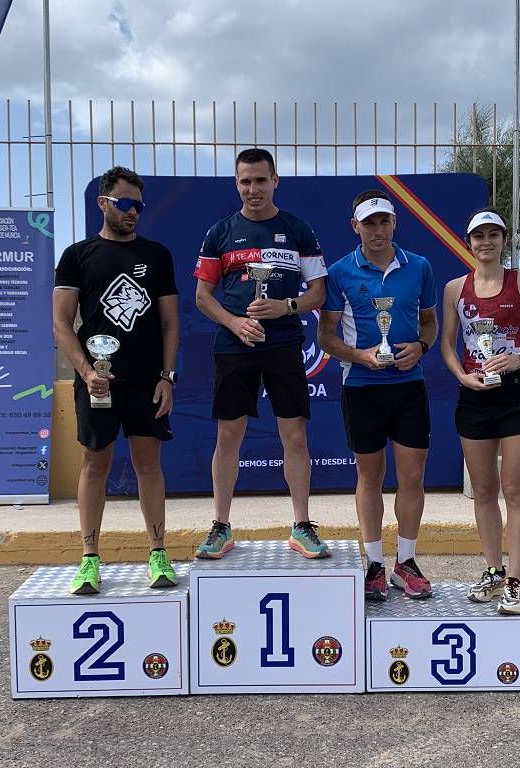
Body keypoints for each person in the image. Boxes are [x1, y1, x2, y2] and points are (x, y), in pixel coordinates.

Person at [193, 148, 329, 559]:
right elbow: (203, 297)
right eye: (245, 181)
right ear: (237, 184)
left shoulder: (298, 230)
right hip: (235, 345)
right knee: (228, 436)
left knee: (295, 436)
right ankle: (221, 526)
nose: (253, 189)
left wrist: (285, 307)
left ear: (276, 181)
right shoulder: (220, 232)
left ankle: (302, 525)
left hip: (285, 344)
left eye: (260, 180)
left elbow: (318, 293)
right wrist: (235, 322)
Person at [53, 166, 180, 594]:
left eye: (138, 206)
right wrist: (88, 373)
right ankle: (89, 558)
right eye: (125, 204)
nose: (133, 213)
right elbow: (62, 325)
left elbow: (169, 324)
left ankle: (158, 553)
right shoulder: (77, 255)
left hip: (147, 382)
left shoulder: (157, 254)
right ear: (103, 203)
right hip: (98, 382)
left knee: (149, 465)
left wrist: (167, 377)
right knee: (95, 464)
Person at [318, 190, 438, 600]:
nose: (378, 230)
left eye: (384, 221)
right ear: (356, 227)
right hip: (362, 388)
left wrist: (420, 347)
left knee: (412, 477)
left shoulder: (419, 267)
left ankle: (405, 563)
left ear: (394, 224)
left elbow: (429, 324)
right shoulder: (339, 272)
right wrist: (360, 356)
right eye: (369, 223)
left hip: (409, 387)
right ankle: (373, 564)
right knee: (369, 478)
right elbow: (326, 338)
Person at [440, 207, 520, 614]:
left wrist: (519, 359)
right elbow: (447, 346)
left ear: (505, 240)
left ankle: (515, 580)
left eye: (493, 235)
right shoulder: (456, 288)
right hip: (474, 397)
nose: (485, 242)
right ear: (468, 242)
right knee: (484, 491)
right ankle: (492, 570)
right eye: (478, 236)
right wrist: (461, 377)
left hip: (516, 395)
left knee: (515, 491)